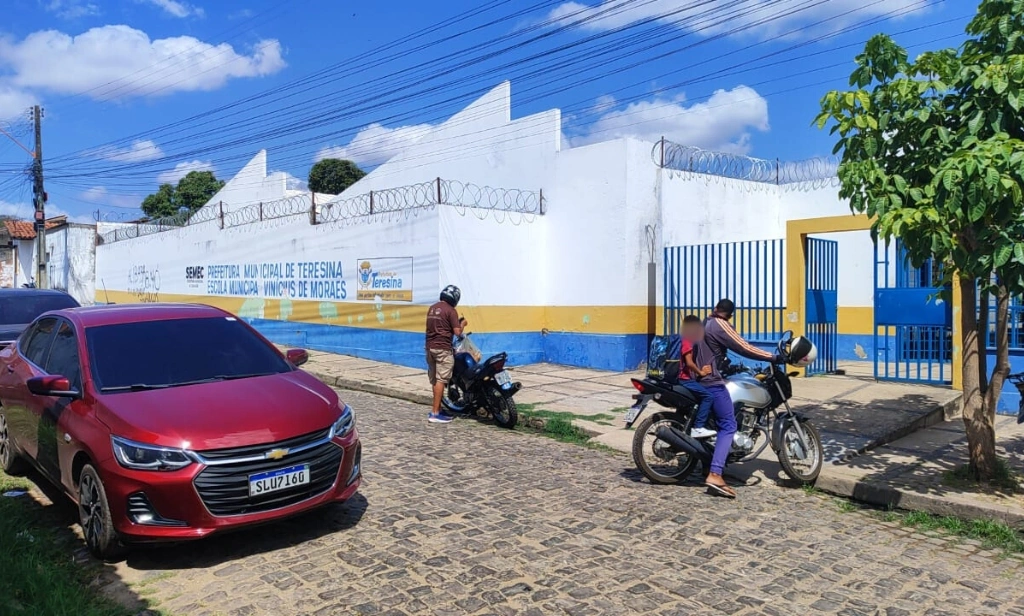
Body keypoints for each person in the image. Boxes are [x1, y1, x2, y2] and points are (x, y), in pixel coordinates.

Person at [697, 298, 784, 499]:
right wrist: (773, 357)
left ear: (715, 308)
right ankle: (715, 474)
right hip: (710, 380)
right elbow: (744, 347)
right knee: (728, 425)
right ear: (730, 314)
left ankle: (705, 464)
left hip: (698, 377)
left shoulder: (706, 323)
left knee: (713, 422)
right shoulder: (720, 325)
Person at [425, 285, 466, 424]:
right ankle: (435, 413)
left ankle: (438, 408)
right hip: (443, 349)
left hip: (429, 348)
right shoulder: (451, 311)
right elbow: (457, 332)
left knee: (435, 380)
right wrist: (463, 324)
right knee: (441, 379)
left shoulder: (432, 308)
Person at [679, 315, 715, 439]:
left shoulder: (682, 339)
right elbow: (689, 363)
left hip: (682, 378)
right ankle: (698, 427)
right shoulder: (687, 341)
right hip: (683, 379)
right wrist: (701, 372)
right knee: (708, 396)